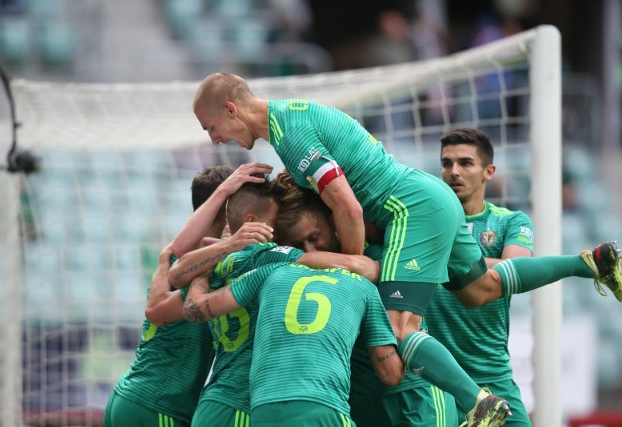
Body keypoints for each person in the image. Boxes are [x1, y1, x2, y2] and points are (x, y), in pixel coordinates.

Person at [191, 72, 622, 426]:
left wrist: (350, 269)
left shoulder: (291, 135)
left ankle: (478, 404)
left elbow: (348, 206)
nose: (214, 139)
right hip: (430, 199)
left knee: (400, 327)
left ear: (231, 109)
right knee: (479, 289)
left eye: (212, 127)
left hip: (409, 209)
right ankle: (590, 262)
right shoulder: (291, 117)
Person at [103, 163, 274, 427]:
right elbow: (157, 311)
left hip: (138, 398)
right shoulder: (194, 261)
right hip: (159, 404)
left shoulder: (191, 255)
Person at [275, 182, 458, 427]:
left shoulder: (385, 257)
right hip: (360, 405)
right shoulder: (294, 276)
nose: (310, 250)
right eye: (299, 246)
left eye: (314, 237)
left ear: (332, 219)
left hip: (414, 396)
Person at [184, 261, 405, 426]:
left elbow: (195, 309)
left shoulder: (271, 271)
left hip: (263, 410)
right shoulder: (365, 287)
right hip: (323, 407)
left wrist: (200, 275)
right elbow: (391, 374)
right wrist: (412, 338)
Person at [427, 128, 533, 426]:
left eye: (465, 163)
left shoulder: (509, 221)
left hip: (493, 375)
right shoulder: (423, 222)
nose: (454, 172)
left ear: (489, 171)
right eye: (447, 164)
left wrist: (446, 256)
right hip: (438, 381)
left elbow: (517, 272)